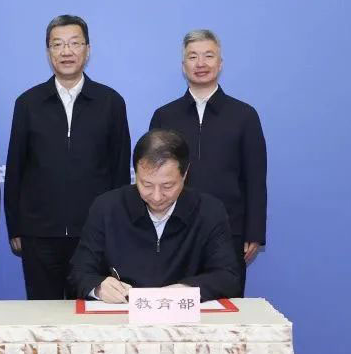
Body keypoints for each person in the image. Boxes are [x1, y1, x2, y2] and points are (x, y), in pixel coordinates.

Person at [5, 15, 131, 299]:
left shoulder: (110, 102)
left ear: (88, 49)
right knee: (43, 314)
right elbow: (15, 170)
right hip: (39, 233)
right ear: (48, 52)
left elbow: (119, 170)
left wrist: (117, 228)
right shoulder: (28, 103)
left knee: (90, 313)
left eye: (74, 43)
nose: (66, 51)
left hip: (94, 233)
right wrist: (16, 227)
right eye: (57, 44)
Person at [149, 29, 266, 293]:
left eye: (208, 56)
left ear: (220, 63)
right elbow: (152, 176)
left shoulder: (244, 116)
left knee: (225, 303)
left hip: (229, 229)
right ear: (183, 66)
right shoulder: (165, 116)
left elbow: (255, 178)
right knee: (175, 303)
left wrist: (254, 232)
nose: (200, 63)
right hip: (174, 229)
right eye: (193, 57)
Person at [69, 129, 241, 302]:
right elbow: (78, 273)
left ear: (185, 174)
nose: (157, 197)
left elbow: (228, 276)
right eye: (146, 185)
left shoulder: (209, 211)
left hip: (184, 314)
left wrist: (186, 290)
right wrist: (98, 288)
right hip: (123, 312)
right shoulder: (107, 208)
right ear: (135, 173)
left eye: (167, 186)